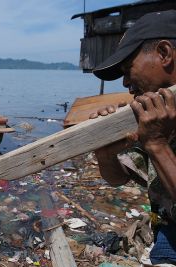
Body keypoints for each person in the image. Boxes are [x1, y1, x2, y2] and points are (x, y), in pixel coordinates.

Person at [89, 10, 176, 265]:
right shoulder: (153, 111)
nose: (126, 82)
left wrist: (157, 144)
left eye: (128, 69)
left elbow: (154, 144)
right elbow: (117, 178)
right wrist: (105, 151)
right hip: (169, 232)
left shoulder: (154, 127)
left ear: (164, 53)